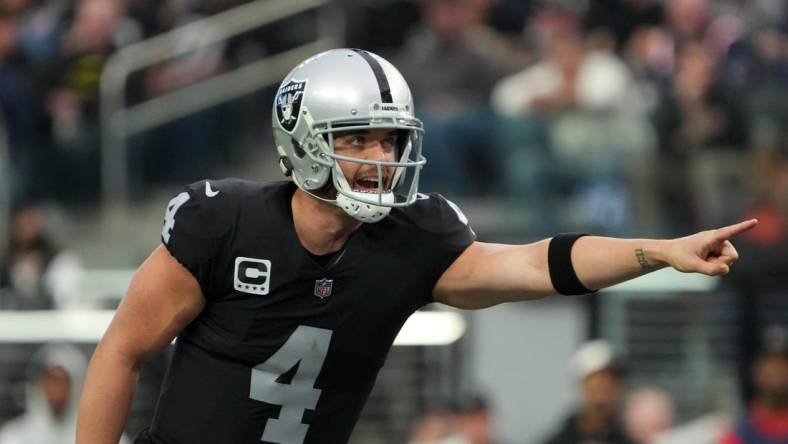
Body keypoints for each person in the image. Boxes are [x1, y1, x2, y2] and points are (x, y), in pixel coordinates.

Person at [77, 48, 755, 444]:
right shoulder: (222, 224)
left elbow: (534, 263)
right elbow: (121, 352)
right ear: (303, 140)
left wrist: (659, 251)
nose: (380, 157)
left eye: (390, 139)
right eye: (358, 139)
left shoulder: (411, 238)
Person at [542, 340, 634, 444]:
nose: (605, 385)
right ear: (581, 383)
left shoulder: (626, 437)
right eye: (598, 378)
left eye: (612, 378)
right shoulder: (560, 439)